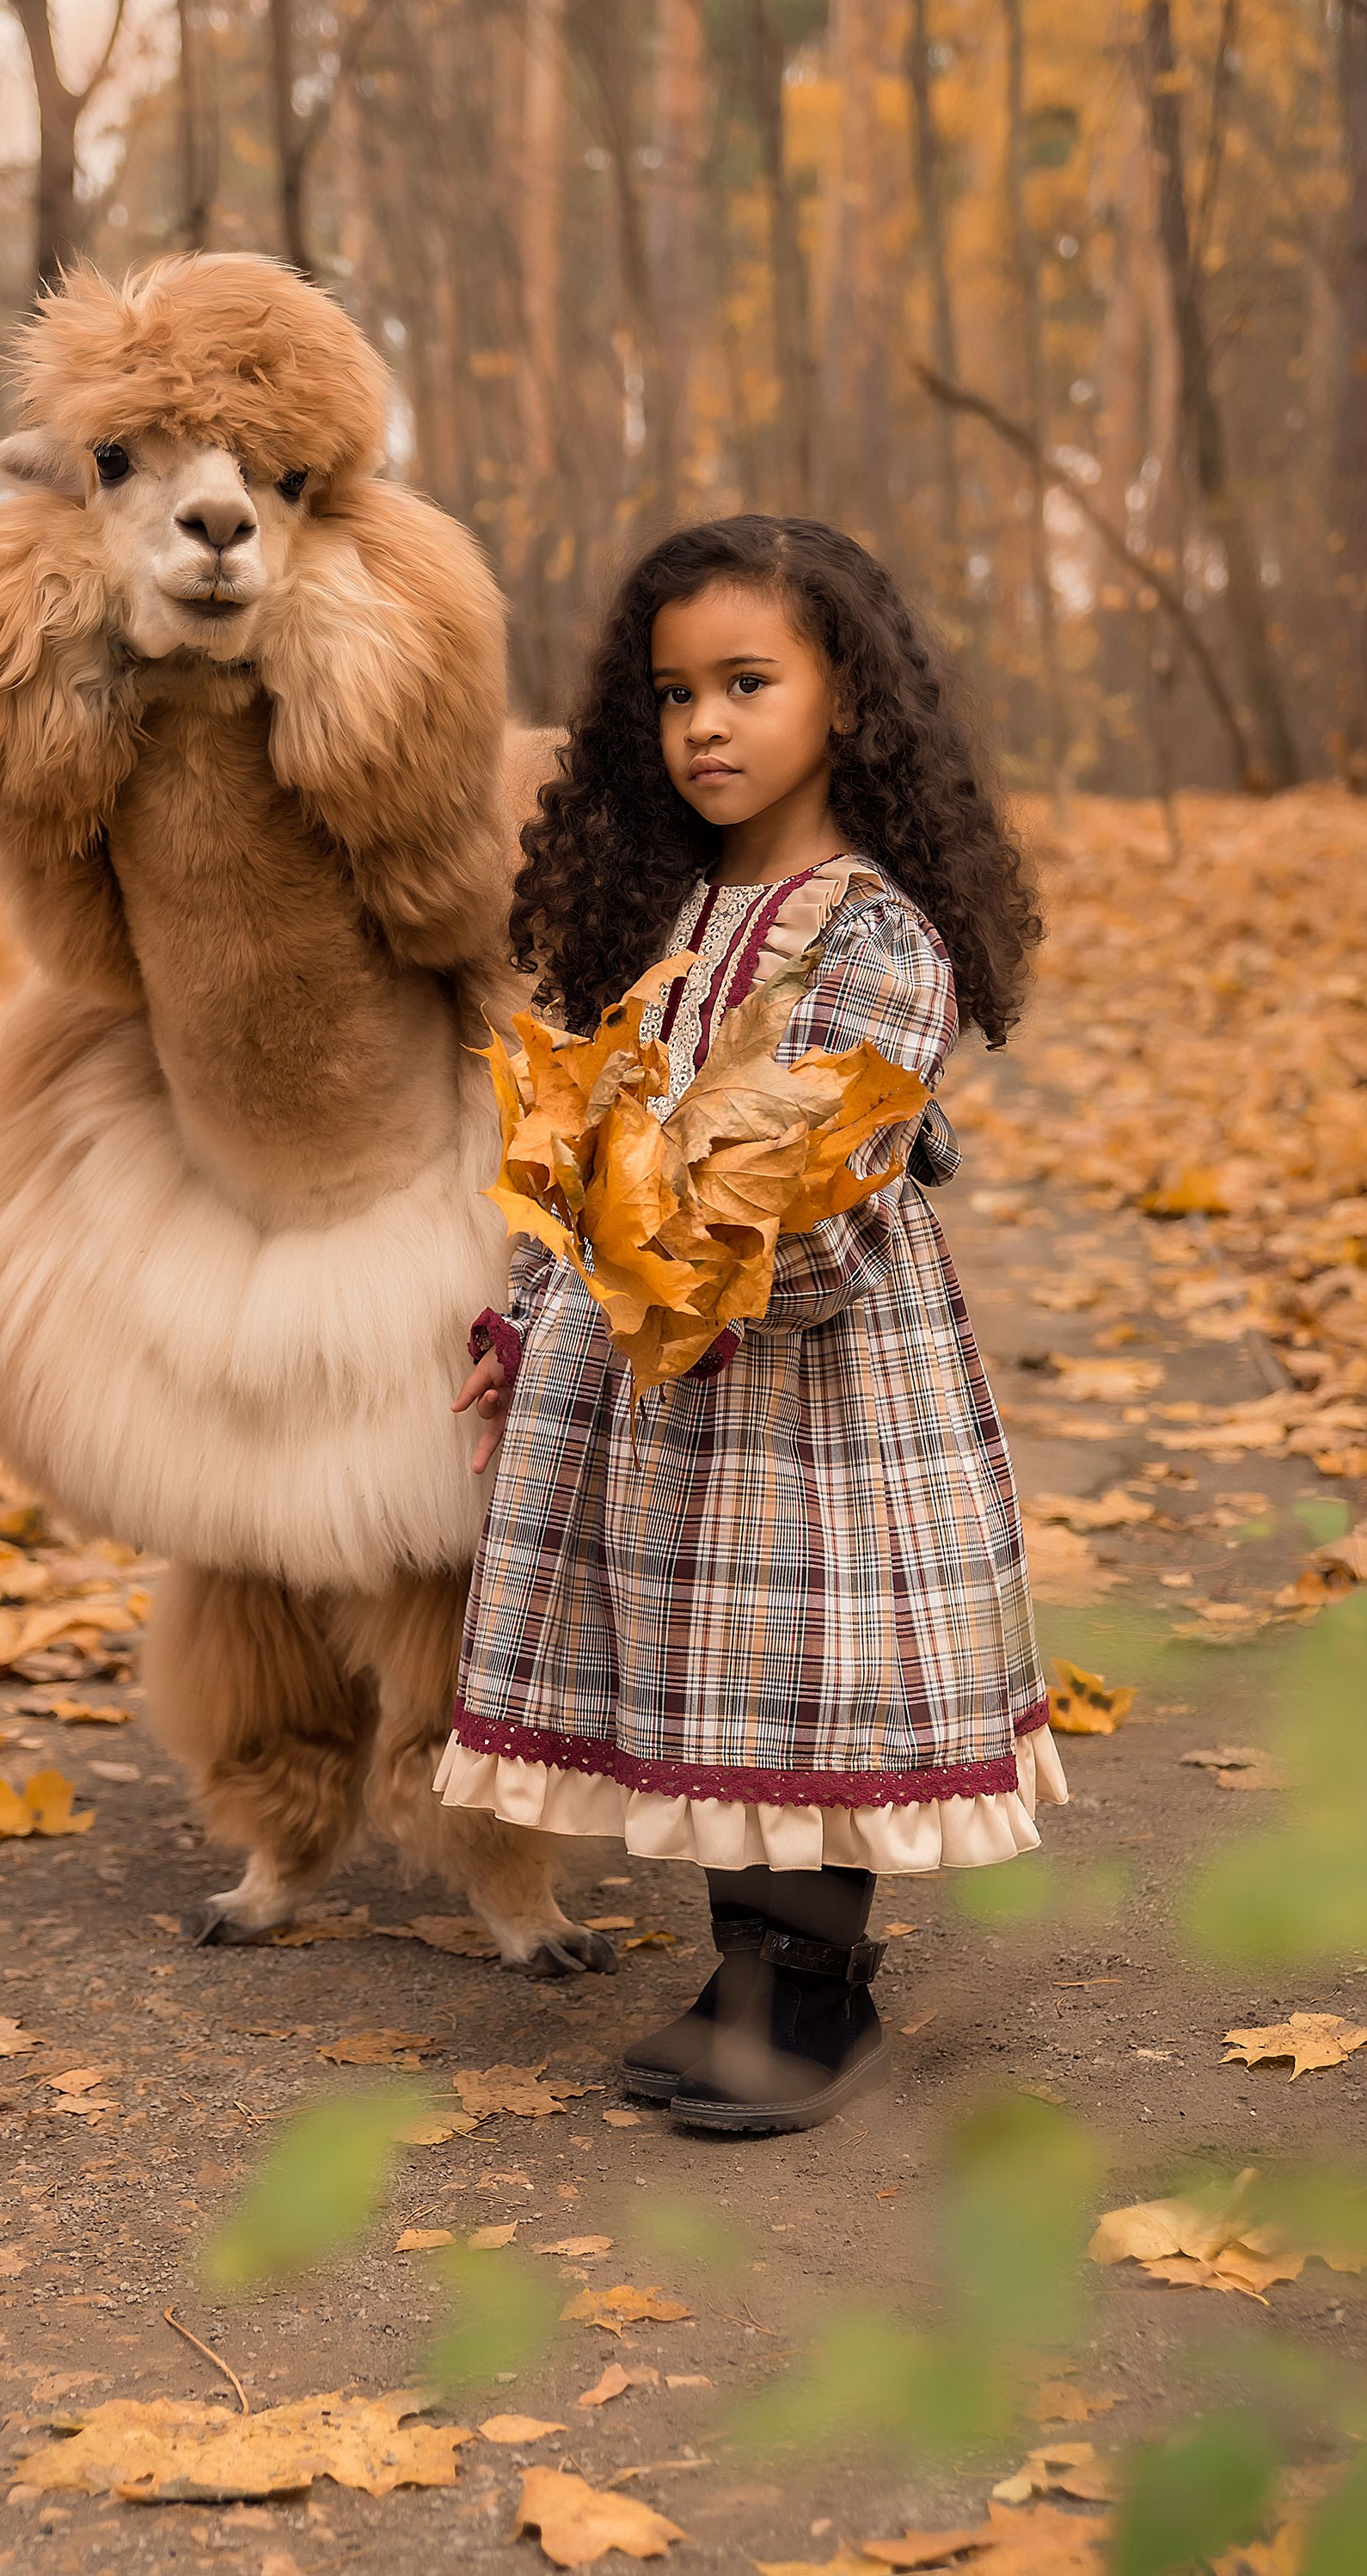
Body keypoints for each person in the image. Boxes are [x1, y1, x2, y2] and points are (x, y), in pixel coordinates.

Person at [442, 513, 1064, 2137]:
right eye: (670, 695)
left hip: (805, 1366)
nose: (702, 725)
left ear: (844, 697)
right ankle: (747, 1971)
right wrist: (529, 1315)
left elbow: (827, 1178)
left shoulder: (872, 931)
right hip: (639, 1363)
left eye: (745, 683)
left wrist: (718, 1282)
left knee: (806, 1666)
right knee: (702, 1666)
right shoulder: (650, 912)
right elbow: (572, 1145)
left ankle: (813, 1996)